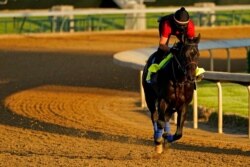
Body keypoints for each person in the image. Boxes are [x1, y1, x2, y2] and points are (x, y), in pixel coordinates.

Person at [146, 7, 205, 83]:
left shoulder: (190, 26)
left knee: (189, 50)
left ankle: (196, 70)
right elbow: (162, 44)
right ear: (175, 22)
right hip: (168, 27)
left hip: (181, 31)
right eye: (179, 25)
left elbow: (190, 45)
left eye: (184, 25)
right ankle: (153, 71)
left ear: (187, 23)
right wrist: (171, 50)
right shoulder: (167, 24)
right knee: (162, 51)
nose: (182, 27)